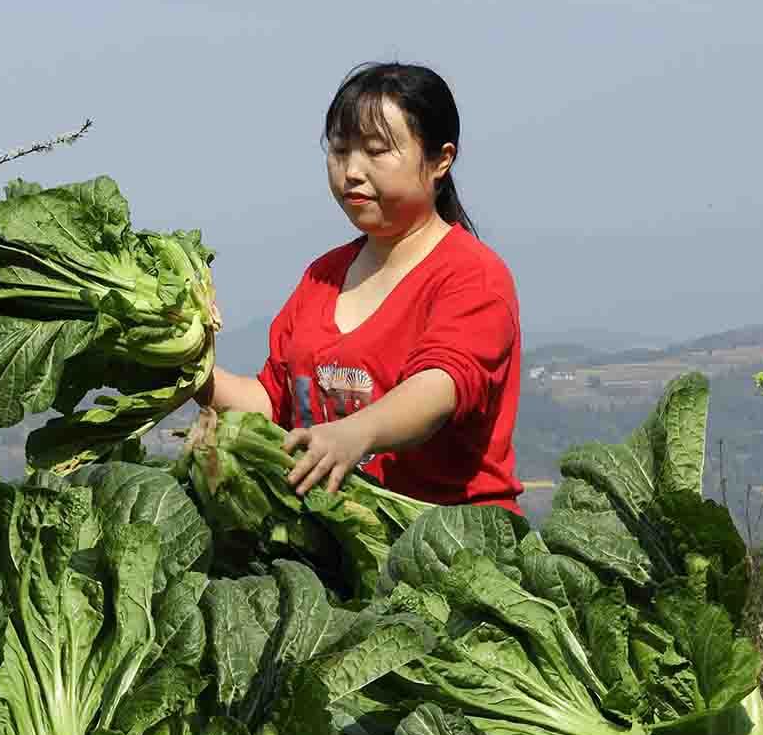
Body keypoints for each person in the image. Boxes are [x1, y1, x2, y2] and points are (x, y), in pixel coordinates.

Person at [196, 62, 524, 514]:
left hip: (453, 543)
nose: (351, 170)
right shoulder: (322, 276)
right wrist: (189, 370)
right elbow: (274, 403)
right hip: (338, 543)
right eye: (340, 150)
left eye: (376, 150)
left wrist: (356, 432)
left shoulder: (472, 275)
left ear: (440, 160)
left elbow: (440, 387)